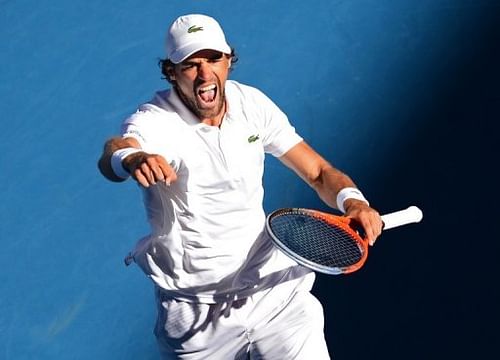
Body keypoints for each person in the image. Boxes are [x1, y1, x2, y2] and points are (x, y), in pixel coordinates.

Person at [98, 13, 383, 359]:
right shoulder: (156, 121)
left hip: (274, 293)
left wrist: (353, 201)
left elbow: (318, 172)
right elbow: (118, 149)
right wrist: (132, 159)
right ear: (171, 73)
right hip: (195, 314)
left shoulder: (252, 105)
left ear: (229, 60)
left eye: (214, 59)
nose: (205, 74)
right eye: (191, 64)